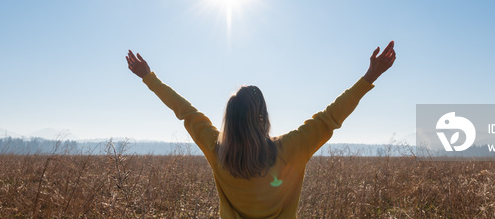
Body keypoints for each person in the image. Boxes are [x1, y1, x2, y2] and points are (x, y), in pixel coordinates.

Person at [126, 41, 396, 218]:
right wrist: (370, 76)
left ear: (229, 119)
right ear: (263, 117)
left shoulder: (215, 148)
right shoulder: (290, 148)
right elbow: (330, 118)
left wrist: (149, 78)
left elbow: (185, 111)